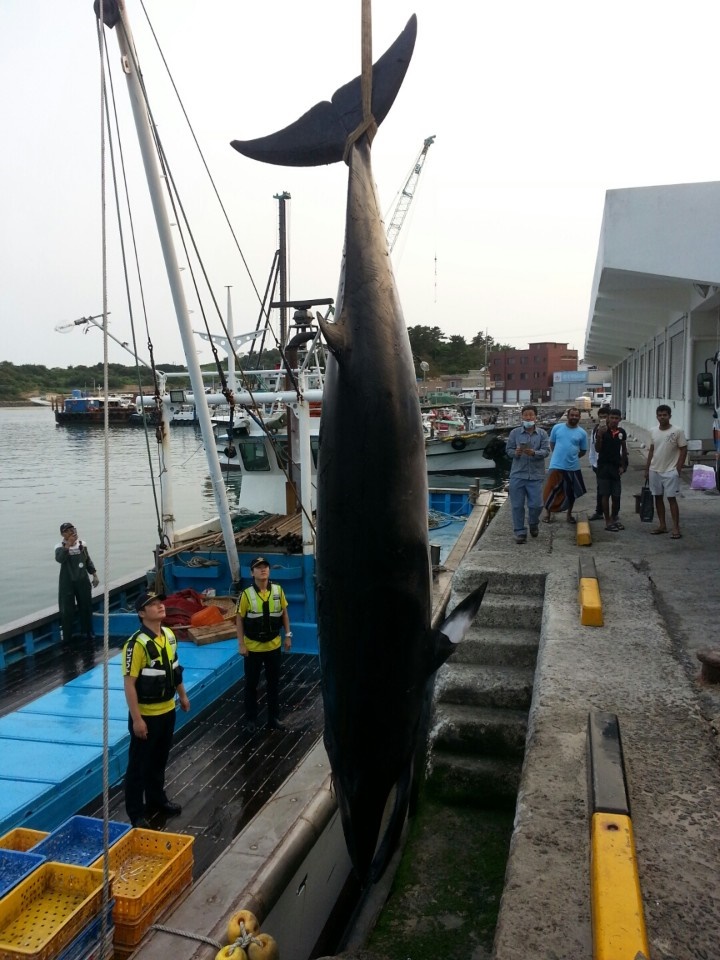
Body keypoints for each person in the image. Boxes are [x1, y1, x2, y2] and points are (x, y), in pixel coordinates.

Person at [122, 590, 190, 828]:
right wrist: (137, 719)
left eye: (160, 602)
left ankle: (156, 800)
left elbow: (175, 669)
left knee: (159, 761)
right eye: (153, 604)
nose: (161, 606)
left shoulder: (169, 635)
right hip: (147, 716)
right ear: (142, 613)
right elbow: (129, 684)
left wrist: (182, 695)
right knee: (138, 766)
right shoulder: (136, 644)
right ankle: (136, 813)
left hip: (167, 711)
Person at [236, 557, 292, 733]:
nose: (263, 570)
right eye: (258, 568)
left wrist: (288, 636)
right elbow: (239, 619)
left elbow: (284, 614)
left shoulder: (278, 590)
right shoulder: (246, 595)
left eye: (265, 567)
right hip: (253, 648)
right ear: (252, 573)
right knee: (251, 685)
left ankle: (273, 718)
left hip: (273, 646)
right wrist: (241, 644)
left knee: (273, 684)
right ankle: (251, 719)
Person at [505, 405, 551, 543]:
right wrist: (516, 453)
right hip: (518, 474)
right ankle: (520, 532)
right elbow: (509, 450)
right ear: (522, 417)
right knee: (517, 505)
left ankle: (533, 523)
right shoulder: (515, 433)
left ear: (535, 417)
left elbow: (546, 451)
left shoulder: (542, 434)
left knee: (536, 505)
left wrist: (534, 453)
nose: (528, 417)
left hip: (536, 475)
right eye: (526, 415)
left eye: (531, 415)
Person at [645, 404, 688, 539]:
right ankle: (662, 525)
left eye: (665, 415)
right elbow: (651, 450)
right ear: (656, 416)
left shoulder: (677, 431)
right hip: (654, 470)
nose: (662, 417)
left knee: (671, 499)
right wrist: (647, 469)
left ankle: (676, 527)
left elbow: (683, 449)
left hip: (670, 470)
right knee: (657, 497)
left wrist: (678, 468)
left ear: (669, 416)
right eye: (660, 415)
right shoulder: (652, 431)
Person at [55, 522, 99, 644]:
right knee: (66, 609)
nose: (71, 532)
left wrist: (94, 574)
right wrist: (68, 545)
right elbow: (60, 559)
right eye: (68, 531)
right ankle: (67, 637)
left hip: (82, 580)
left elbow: (88, 560)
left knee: (86, 606)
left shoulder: (82, 545)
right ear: (63, 534)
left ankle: (88, 633)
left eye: (72, 529)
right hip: (67, 582)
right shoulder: (59, 547)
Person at [542, 407, 588, 523]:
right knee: (550, 490)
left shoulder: (582, 433)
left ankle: (569, 515)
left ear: (579, 417)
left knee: (571, 492)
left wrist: (572, 457)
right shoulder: (557, 428)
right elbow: (552, 443)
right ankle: (548, 514)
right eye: (572, 415)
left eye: (576, 416)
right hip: (556, 465)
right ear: (567, 416)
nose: (574, 417)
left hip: (573, 467)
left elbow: (583, 451)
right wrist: (558, 456)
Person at [594, 408, 629, 532]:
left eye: (616, 418)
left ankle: (614, 518)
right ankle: (607, 520)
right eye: (612, 418)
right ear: (608, 418)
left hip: (615, 467)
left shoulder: (621, 432)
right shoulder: (601, 430)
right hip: (603, 467)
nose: (614, 420)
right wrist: (599, 436)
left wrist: (623, 466)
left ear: (620, 419)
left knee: (616, 495)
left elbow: (624, 450)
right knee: (605, 494)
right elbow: (598, 449)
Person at [588, 405, 611, 521]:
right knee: (600, 489)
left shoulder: (614, 430)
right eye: (601, 417)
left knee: (613, 491)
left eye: (605, 417)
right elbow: (592, 447)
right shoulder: (595, 430)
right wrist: (593, 462)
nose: (603, 419)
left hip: (612, 464)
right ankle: (599, 511)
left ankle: (614, 514)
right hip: (599, 465)